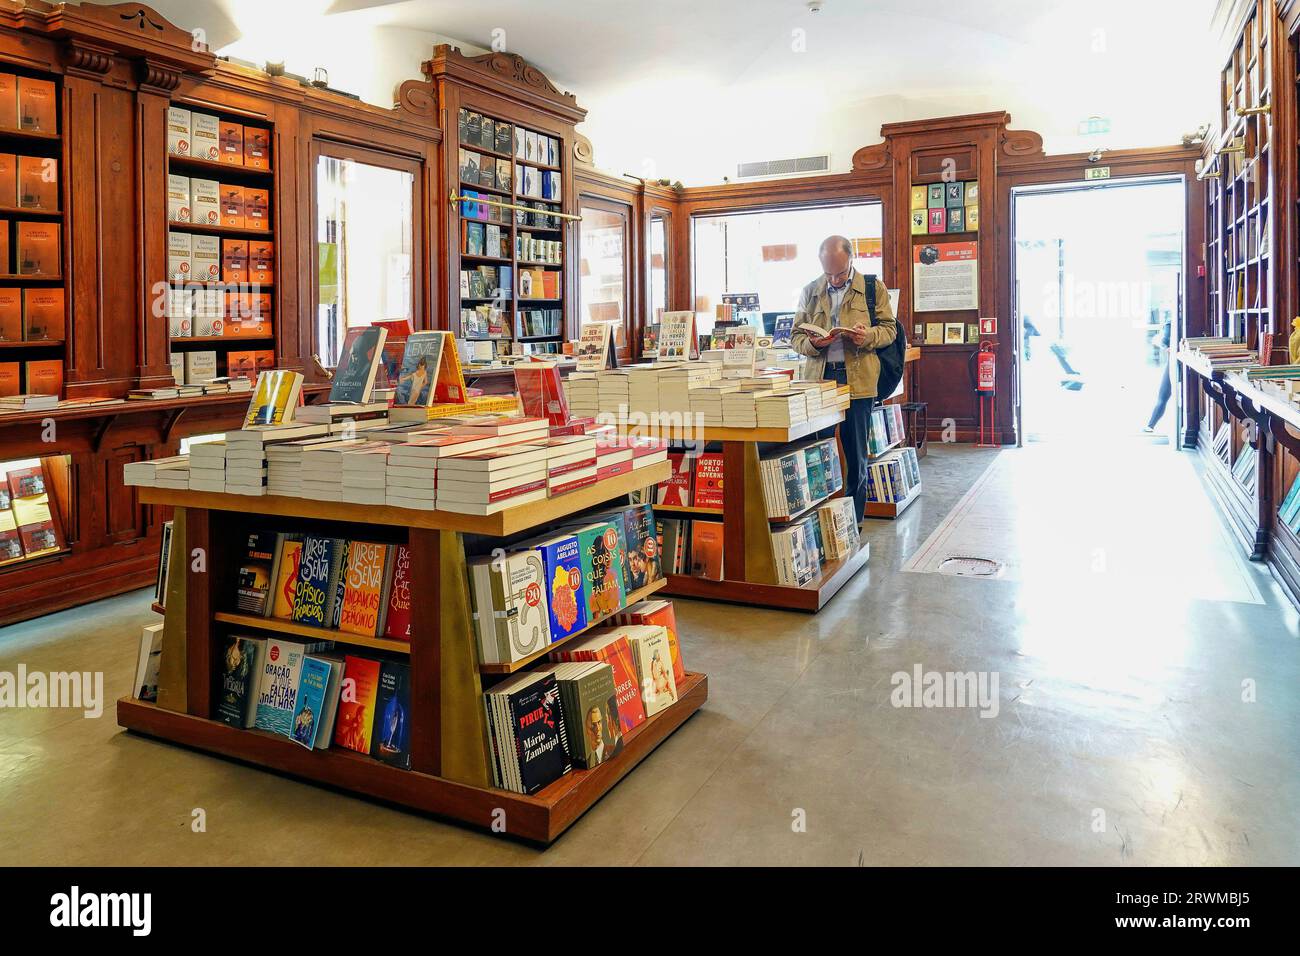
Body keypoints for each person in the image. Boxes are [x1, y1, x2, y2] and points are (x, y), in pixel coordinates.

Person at [791, 236, 897, 522]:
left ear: (851, 260)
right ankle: (818, 521)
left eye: (839, 273)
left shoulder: (873, 288)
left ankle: (854, 523)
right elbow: (795, 337)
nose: (834, 280)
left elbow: (890, 330)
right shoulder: (810, 291)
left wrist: (867, 336)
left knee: (857, 456)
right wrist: (815, 344)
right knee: (817, 454)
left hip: (859, 380)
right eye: (828, 273)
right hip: (820, 381)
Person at [1143, 312, 1173, 433]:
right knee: (1165, 394)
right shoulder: (1172, 322)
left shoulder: (1170, 322)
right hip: (1180, 360)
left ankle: (1150, 425)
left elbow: (1163, 341)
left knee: (1163, 394)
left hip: (1175, 361)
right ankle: (1150, 424)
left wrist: (1166, 347)